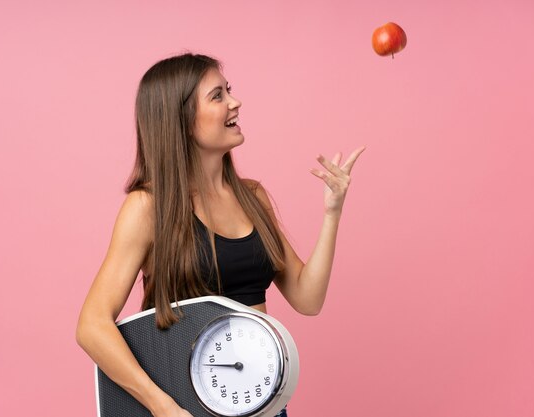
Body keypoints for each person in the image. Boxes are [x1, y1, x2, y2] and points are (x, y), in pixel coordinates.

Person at [76, 52, 365, 417]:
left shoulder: (252, 196)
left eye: (229, 90)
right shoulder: (148, 207)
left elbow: (307, 299)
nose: (235, 102)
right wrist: (161, 406)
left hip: (263, 401)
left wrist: (332, 212)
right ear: (180, 119)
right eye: (218, 96)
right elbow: (92, 325)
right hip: (185, 406)